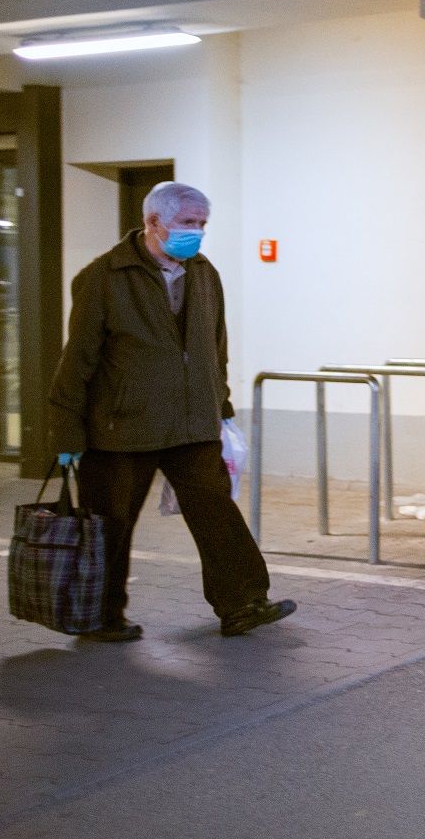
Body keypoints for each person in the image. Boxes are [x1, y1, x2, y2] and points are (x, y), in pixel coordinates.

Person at [47, 181, 296, 641]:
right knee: (111, 527)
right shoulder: (104, 277)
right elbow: (76, 360)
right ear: (153, 222)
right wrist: (65, 431)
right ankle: (101, 618)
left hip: (193, 423)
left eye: (201, 224)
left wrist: (220, 406)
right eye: (187, 223)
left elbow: (215, 348)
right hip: (123, 428)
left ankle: (242, 603)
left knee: (217, 514)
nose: (196, 232)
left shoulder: (204, 273)